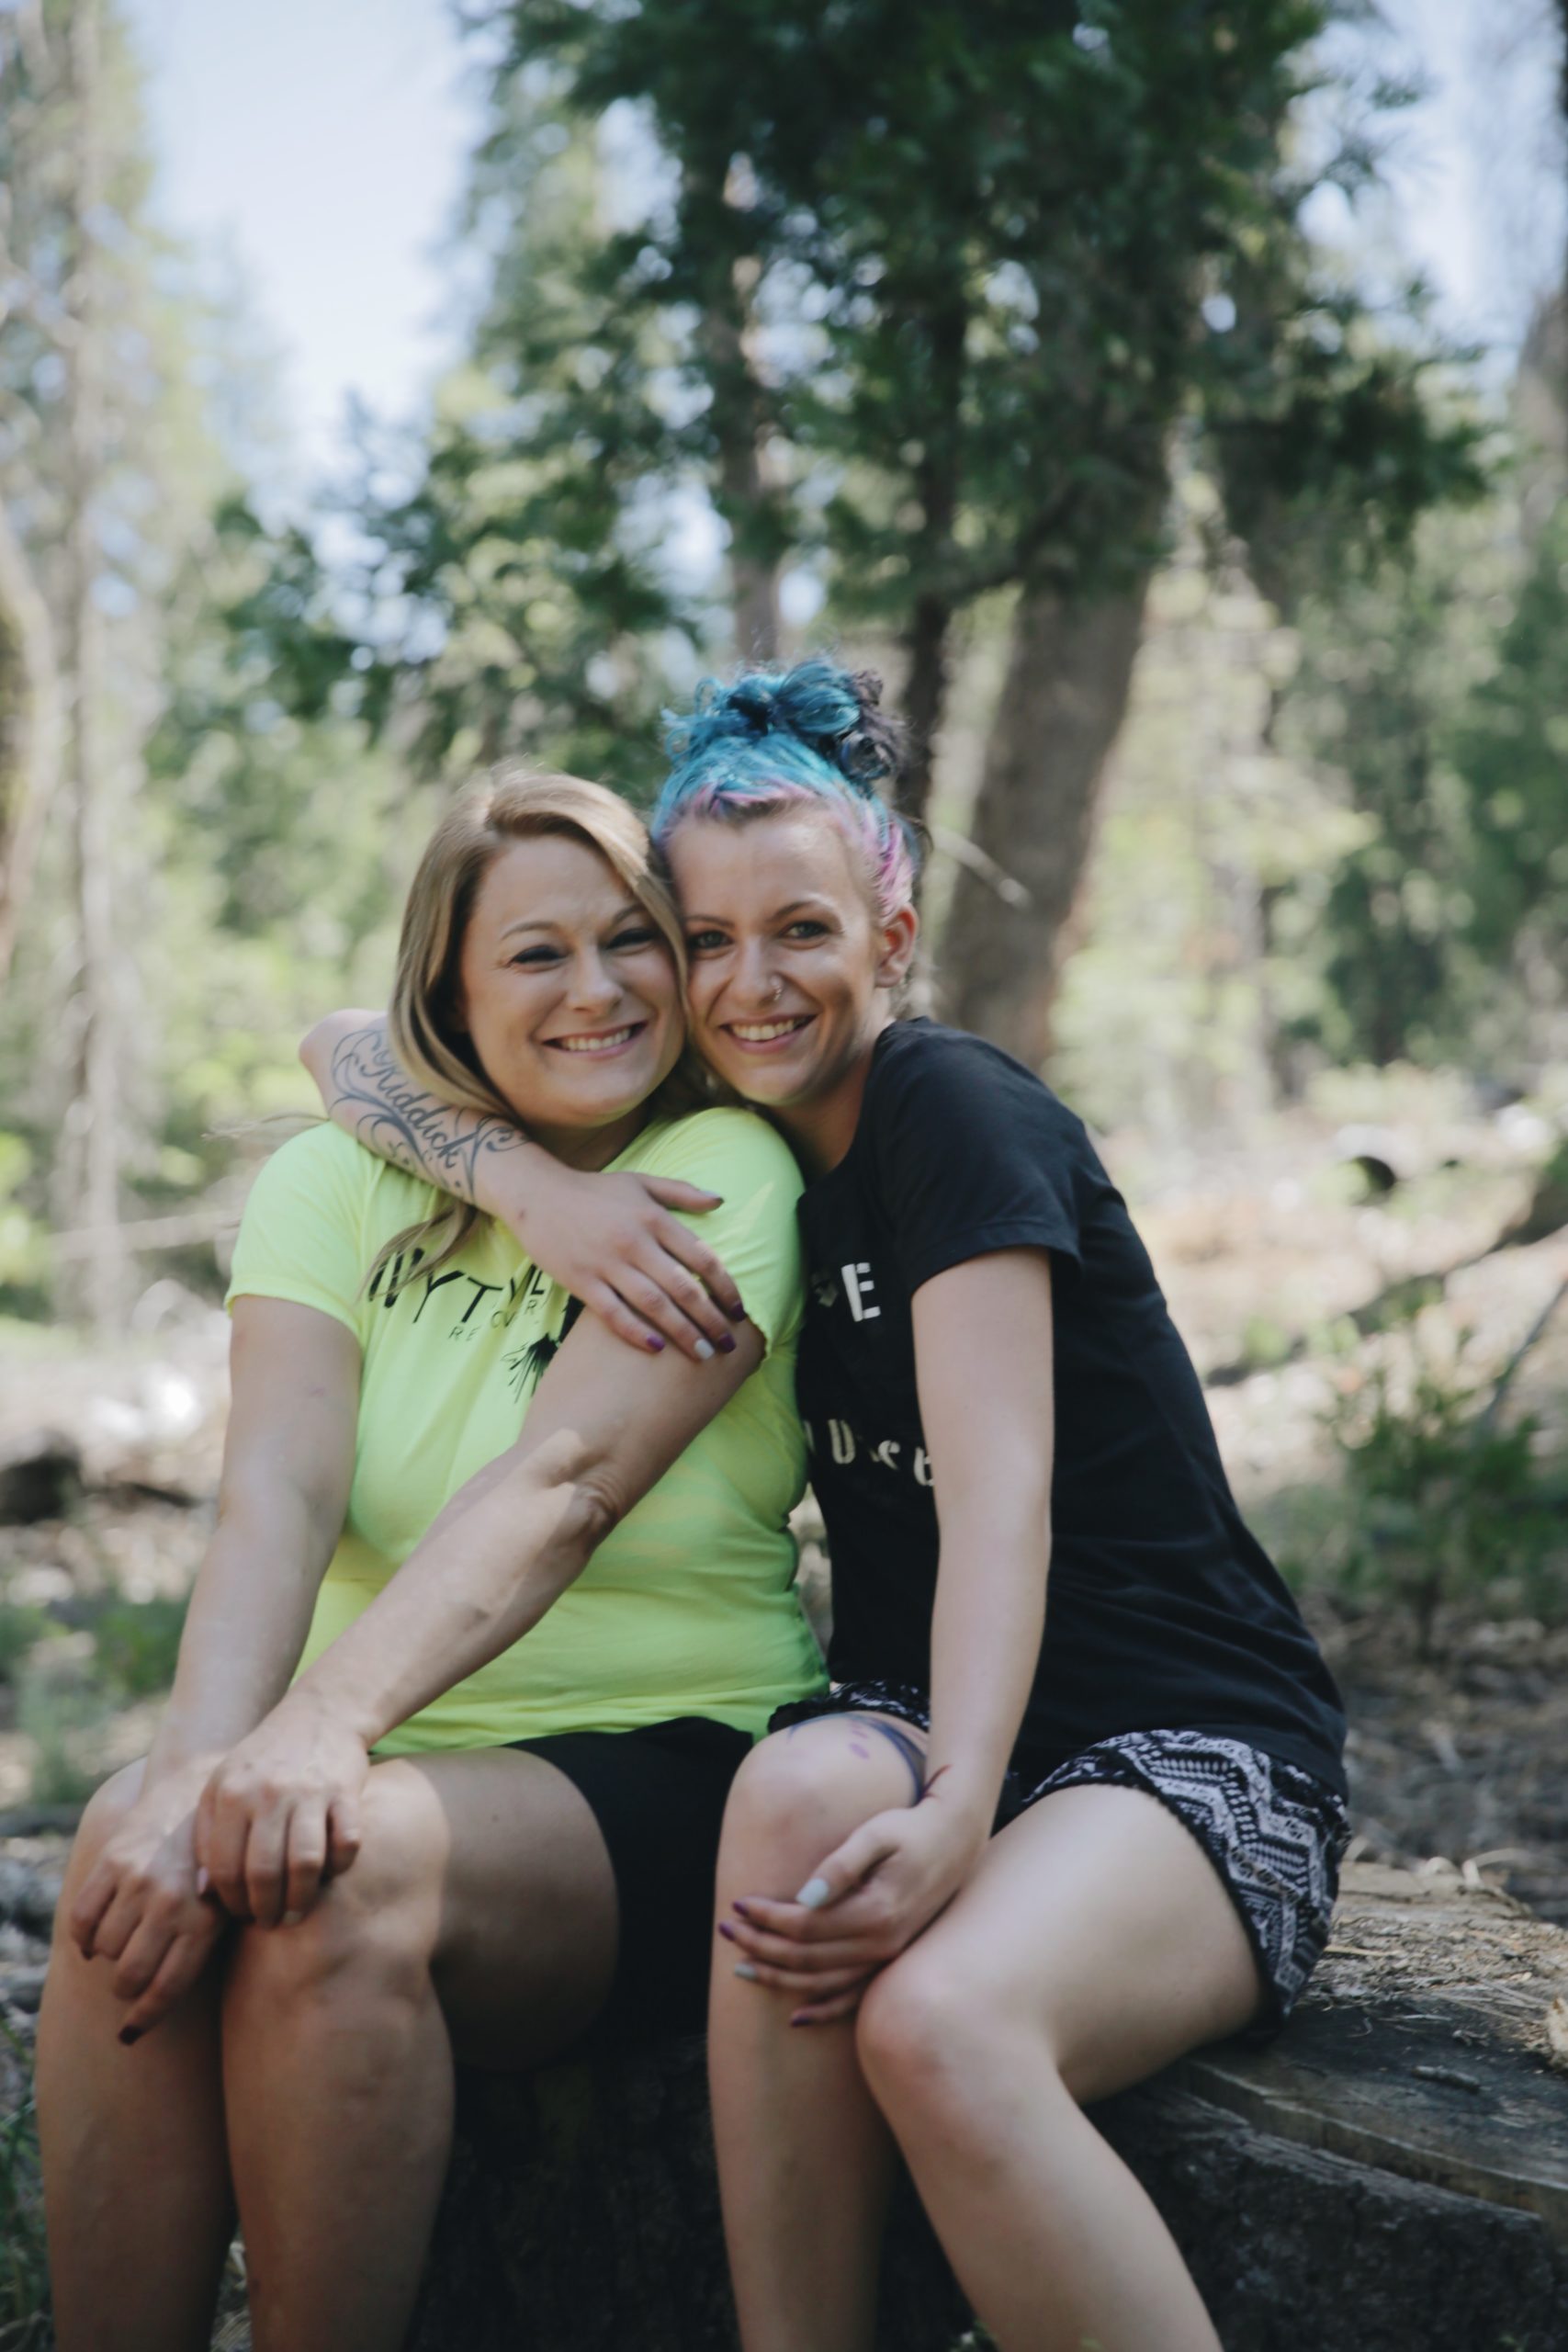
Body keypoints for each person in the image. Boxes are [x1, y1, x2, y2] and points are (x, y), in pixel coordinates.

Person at [299, 662, 1349, 2352]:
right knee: (787, 1790)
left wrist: (957, 1804)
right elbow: (348, 1044)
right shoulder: (749, 1149)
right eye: (703, 941)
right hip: (928, 1706)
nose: (748, 981)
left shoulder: (950, 1108)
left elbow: (1003, 1505)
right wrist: (525, 1188)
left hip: (1181, 1744)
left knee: (938, 2026)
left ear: (894, 930)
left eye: (798, 929)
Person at [36, 769, 824, 2352]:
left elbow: (572, 1480)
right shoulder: (337, 1181)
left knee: (336, 1877)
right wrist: (195, 1779)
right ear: (452, 990)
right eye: (536, 954)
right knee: (129, 1844)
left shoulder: (727, 1172)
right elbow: (275, 1492)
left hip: (666, 1766)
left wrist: (319, 1730)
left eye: (631, 940)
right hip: (392, 1746)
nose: (598, 990)